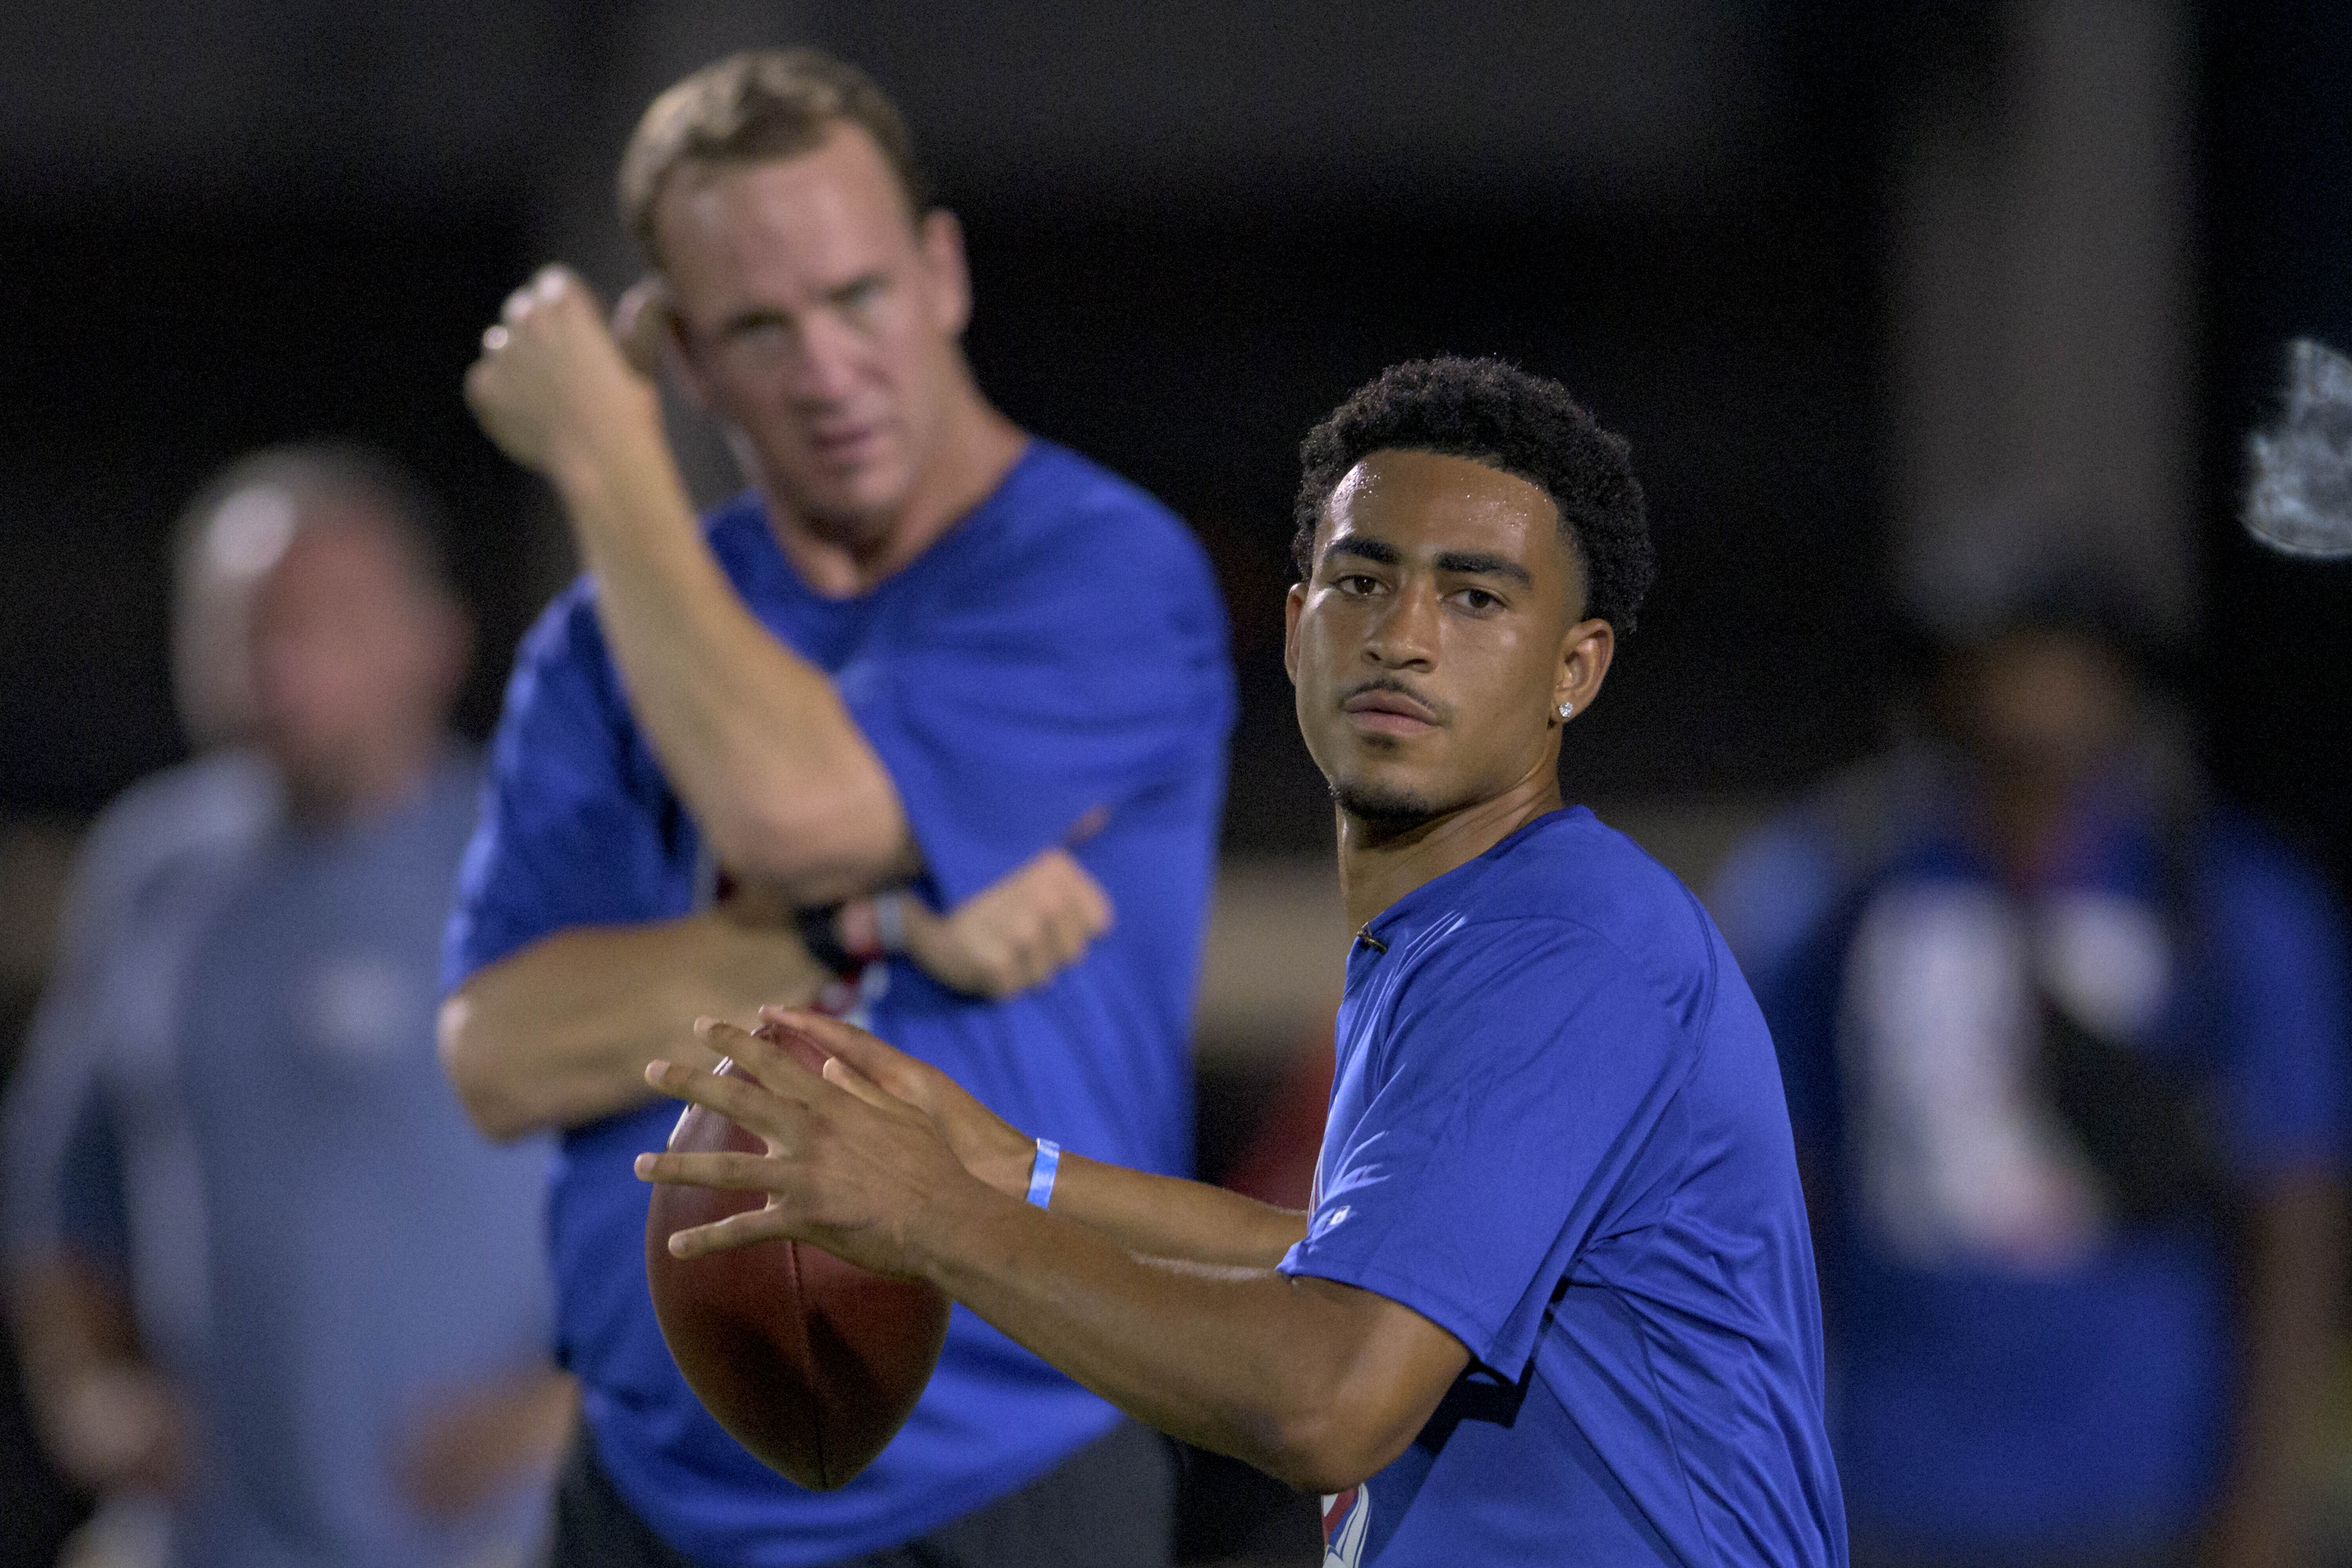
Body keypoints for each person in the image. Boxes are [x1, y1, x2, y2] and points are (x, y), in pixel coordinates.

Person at [631, 357, 1849, 1567]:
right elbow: (1343, 1256)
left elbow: (1330, 1397)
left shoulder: (1554, 945)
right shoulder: (1473, 928)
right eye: (1362, 579)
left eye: (1475, 599)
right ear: (1293, 624)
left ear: (1574, 671)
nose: (1403, 638)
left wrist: (939, 1218)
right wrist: (1019, 1174)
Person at [443, 47, 1234, 1568]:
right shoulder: (601, 651)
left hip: (1007, 1475)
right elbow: (497, 1053)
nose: (823, 366)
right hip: (650, 1478)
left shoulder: (1099, 568)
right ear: (686, 356)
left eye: (857, 295)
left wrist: (607, 457)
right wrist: (878, 915)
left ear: (943, 273)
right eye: (758, 324)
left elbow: (798, 808)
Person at [1706, 517, 2348, 1568]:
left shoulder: (2231, 904)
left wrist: (2258, 1503)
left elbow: (2293, 1208)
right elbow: (1764, 1193)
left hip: (2147, 1480)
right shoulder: (1822, 897)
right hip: (1885, 1477)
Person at [3, 446, 576, 1568]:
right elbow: (60, 1183)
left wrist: (566, 1415)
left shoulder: (547, 867)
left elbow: (698, 1190)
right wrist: (87, 1390)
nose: (280, 670)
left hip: (489, 1540)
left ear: (436, 639)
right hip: (211, 1539)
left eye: (325, 624)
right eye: (238, 628)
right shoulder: (151, 872)